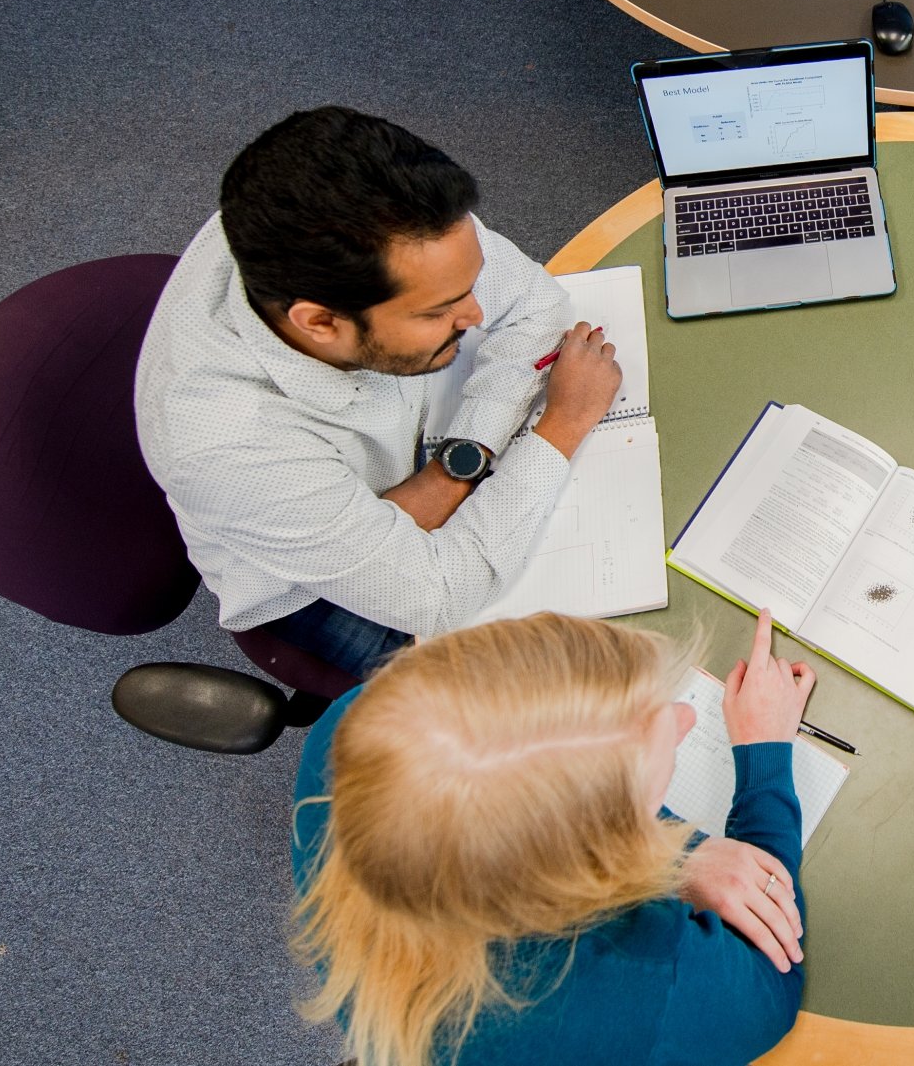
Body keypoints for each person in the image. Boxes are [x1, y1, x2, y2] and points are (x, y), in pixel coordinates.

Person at [136, 105, 623, 678]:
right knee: (529, 688)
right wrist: (560, 427)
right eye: (440, 311)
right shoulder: (228, 446)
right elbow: (439, 594)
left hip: (405, 454)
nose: (474, 313)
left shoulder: (371, 220)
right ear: (320, 322)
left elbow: (536, 306)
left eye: (469, 283)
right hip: (308, 585)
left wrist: (455, 464)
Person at [290, 609, 817, 1066]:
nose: (684, 716)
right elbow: (770, 985)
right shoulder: (631, 979)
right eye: (650, 786)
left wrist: (682, 854)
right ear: (597, 866)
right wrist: (764, 752)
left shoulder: (352, 731)